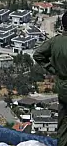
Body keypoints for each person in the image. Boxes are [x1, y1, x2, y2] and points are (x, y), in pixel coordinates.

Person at [32, 11, 67, 146]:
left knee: (63, 123)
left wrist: (53, 69)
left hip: (63, 86)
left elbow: (38, 55)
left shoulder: (55, 41)